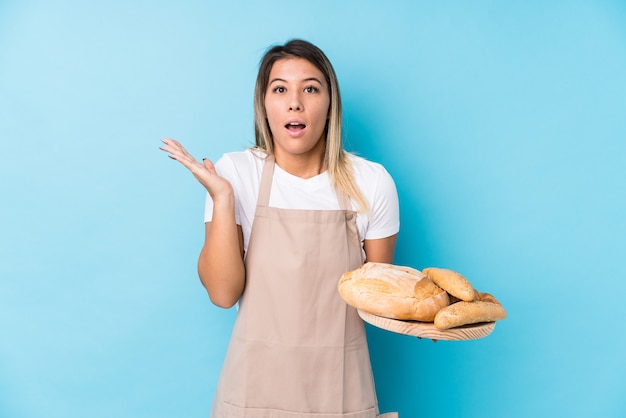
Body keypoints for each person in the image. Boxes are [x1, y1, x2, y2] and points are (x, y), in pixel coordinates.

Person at [160, 39, 400, 418]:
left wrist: (425, 317)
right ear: (264, 105)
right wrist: (223, 199)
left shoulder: (372, 182)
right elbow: (223, 294)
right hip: (252, 394)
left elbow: (381, 300)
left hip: (339, 393)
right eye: (280, 89)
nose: (295, 102)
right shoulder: (236, 174)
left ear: (330, 104)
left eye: (310, 88)